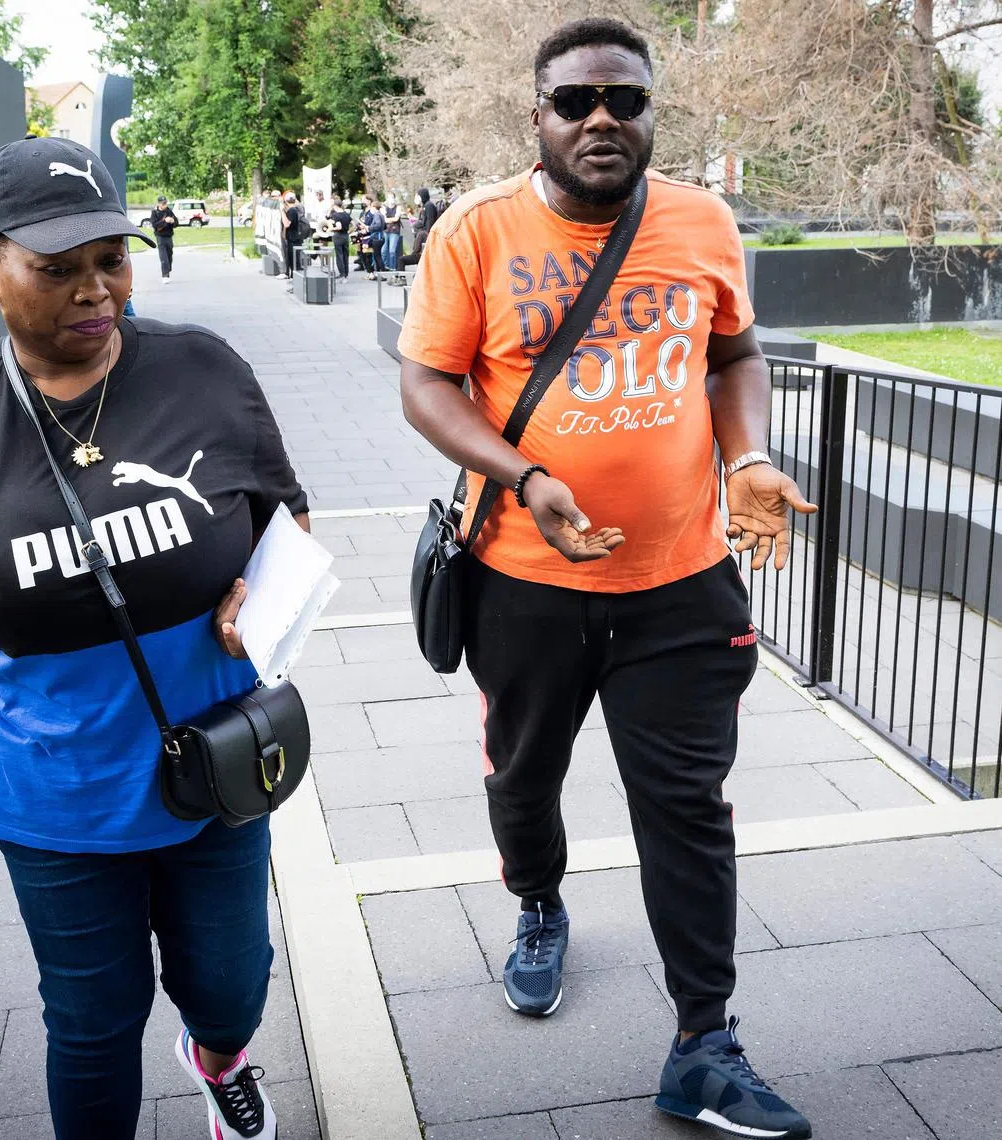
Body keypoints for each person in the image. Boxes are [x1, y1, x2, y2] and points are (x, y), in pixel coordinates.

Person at [398, 19, 816, 1140]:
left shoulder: (701, 222)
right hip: (522, 584)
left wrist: (751, 457)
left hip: (682, 583)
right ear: (533, 116)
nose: (600, 120)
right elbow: (428, 387)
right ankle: (539, 906)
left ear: (648, 115)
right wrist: (523, 473)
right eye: (574, 100)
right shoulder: (476, 231)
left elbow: (733, 352)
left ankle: (705, 1042)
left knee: (687, 807)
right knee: (523, 781)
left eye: (624, 101)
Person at [0, 136, 305, 1140]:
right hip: (54, 799)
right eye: (56, 269)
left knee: (232, 984)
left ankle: (220, 1059)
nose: (94, 291)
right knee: (94, 1022)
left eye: (110, 257)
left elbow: (290, 521)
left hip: (218, 775)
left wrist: (263, 602)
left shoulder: (205, 370)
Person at [149, 194, 178, 283]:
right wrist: (164, 221)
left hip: (169, 236)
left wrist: (172, 221)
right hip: (160, 236)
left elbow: (176, 223)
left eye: (165, 203)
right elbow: (155, 225)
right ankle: (165, 275)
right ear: (159, 204)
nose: (164, 205)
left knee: (169, 254)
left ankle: (168, 269)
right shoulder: (155, 213)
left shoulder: (169, 211)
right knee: (163, 256)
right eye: (163, 203)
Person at [329, 198, 353, 280]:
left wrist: (331, 229)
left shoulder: (336, 215)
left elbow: (339, 227)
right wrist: (349, 231)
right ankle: (346, 273)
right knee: (345, 255)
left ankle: (341, 273)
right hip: (346, 236)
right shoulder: (346, 214)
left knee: (339, 255)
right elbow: (354, 224)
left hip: (338, 236)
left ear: (335, 206)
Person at [382, 192, 403, 270]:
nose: (390, 199)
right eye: (389, 197)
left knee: (392, 251)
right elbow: (384, 220)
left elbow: (396, 219)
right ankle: (384, 266)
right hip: (385, 230)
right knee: (383, 250)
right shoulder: (384, 207)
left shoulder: (398, 207)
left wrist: (388, 220)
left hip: (394, 231)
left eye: (392, 197)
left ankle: (392, 267)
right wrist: (391, 219)